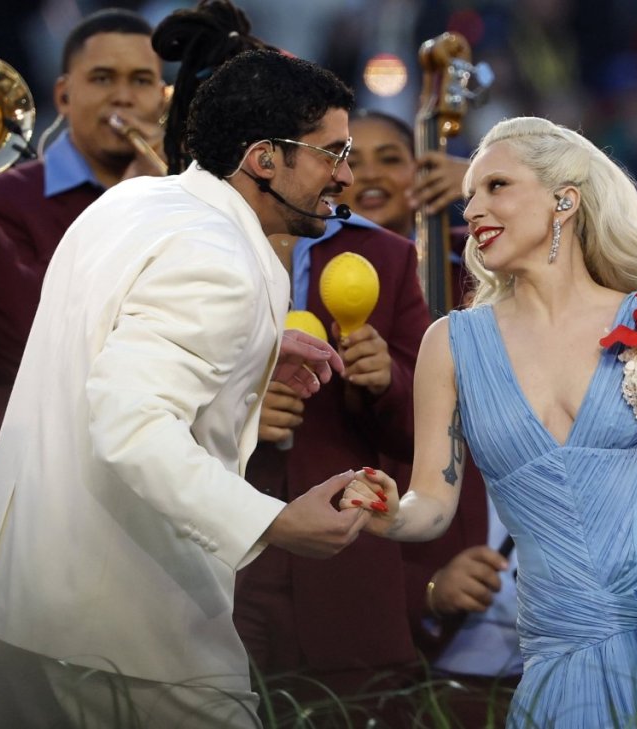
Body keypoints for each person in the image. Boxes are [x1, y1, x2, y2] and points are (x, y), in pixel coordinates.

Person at [343, 116, 637, 727]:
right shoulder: (451, 342)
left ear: (564, 201)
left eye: (496, 186)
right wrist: (390, 515)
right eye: (470, 195)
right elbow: (433, 500)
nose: (475, 209)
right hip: (561, 640)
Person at [0, 49, 370, 729]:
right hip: (126, 627)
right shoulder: (218, 258)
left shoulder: (134, 202)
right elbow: (132, 425)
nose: (346, 174)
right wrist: (273, 520)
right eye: (333, 152)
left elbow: (101, 348)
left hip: (20, 604)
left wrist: (254, 349)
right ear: (264, 158)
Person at [153, 4, 432, 719]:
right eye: (335, 152)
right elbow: (144, 405)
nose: (347, 173)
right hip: (210, 553)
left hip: (341, 559)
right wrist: (243, 407)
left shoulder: (384, 255)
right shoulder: (182, 236)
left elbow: (424, 435)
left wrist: (386, 380)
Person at [339, 108, 522, 725]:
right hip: (404, 574)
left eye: (391, 159)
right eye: (351, 159)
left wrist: (480, 189)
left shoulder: (476, 270)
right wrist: (428, 591)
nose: (369, 174)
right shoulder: (299, 273)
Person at [0, 8, 168, 383]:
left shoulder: (185, 197)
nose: (123, 97)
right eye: (102, 78)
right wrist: (122, 206)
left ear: (162, 98)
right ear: (63, 96)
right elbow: (30, 341)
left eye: (141, 81)